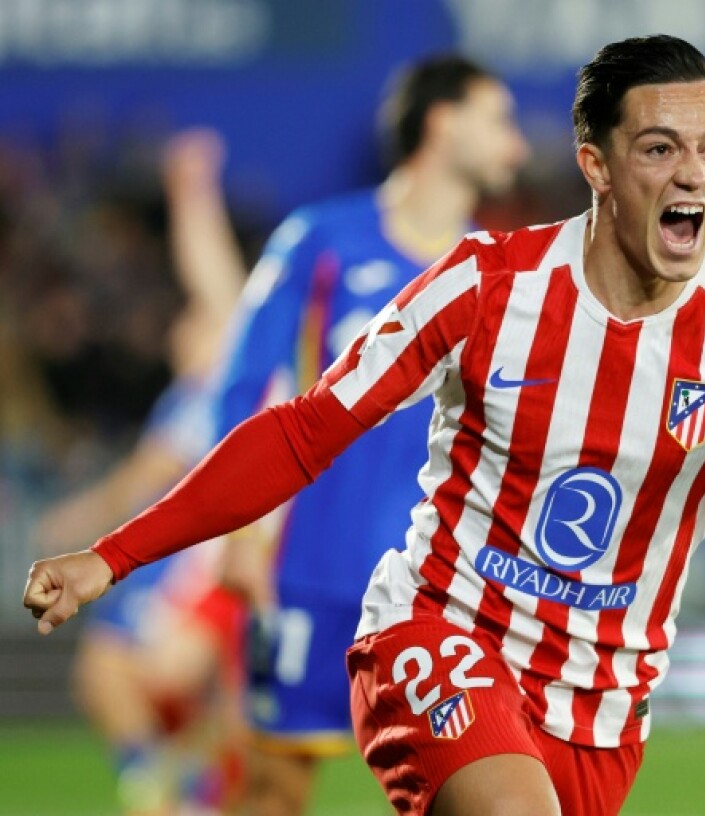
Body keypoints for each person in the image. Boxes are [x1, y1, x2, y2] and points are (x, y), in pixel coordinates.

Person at [25, 35, 705, 816]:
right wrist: (112, 558)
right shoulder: (485, 288)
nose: (693, 177)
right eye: (660, 149)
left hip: (601, 706)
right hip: (435, 635)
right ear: (594, 160)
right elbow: (304, 431)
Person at [207, 54, 529, 815]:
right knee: (273, 790)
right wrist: (242, 531)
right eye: (500, 120)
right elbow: (243, 387)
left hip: (445, 588)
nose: (516, 146)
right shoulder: (318, 241)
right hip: (309, 569)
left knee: (470, 793)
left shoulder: (507, 272)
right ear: (442, 122)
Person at [32, 129, 248, 815]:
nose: (187, 321)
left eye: (200, 320)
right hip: (177, 570)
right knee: (125, 683)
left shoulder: (227, 385)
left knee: (120, 671)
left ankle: (175, 788)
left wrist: (192, 191)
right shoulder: (185, 401)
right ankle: (181, 788)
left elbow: (217, 291)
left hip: (211, 569)